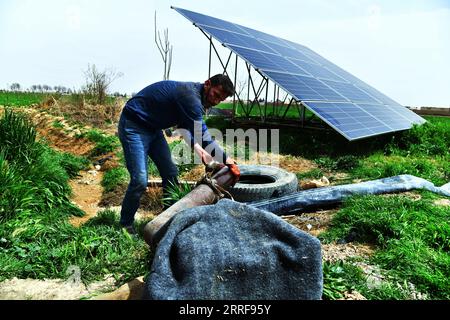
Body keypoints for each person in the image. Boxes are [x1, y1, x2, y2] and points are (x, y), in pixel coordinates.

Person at [117, 74, 240, 234]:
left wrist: (198, 149)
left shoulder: (196, 97)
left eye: (220, 100)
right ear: (207, 84)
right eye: (215, 95)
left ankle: (167, 218)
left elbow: (185, 126)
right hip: (134, 125)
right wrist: (229, 161)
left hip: (153, 129)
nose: (216, 101)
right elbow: (203, 136)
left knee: (171, 173)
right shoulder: (190, 97)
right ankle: (125, 225)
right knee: (140, 180)